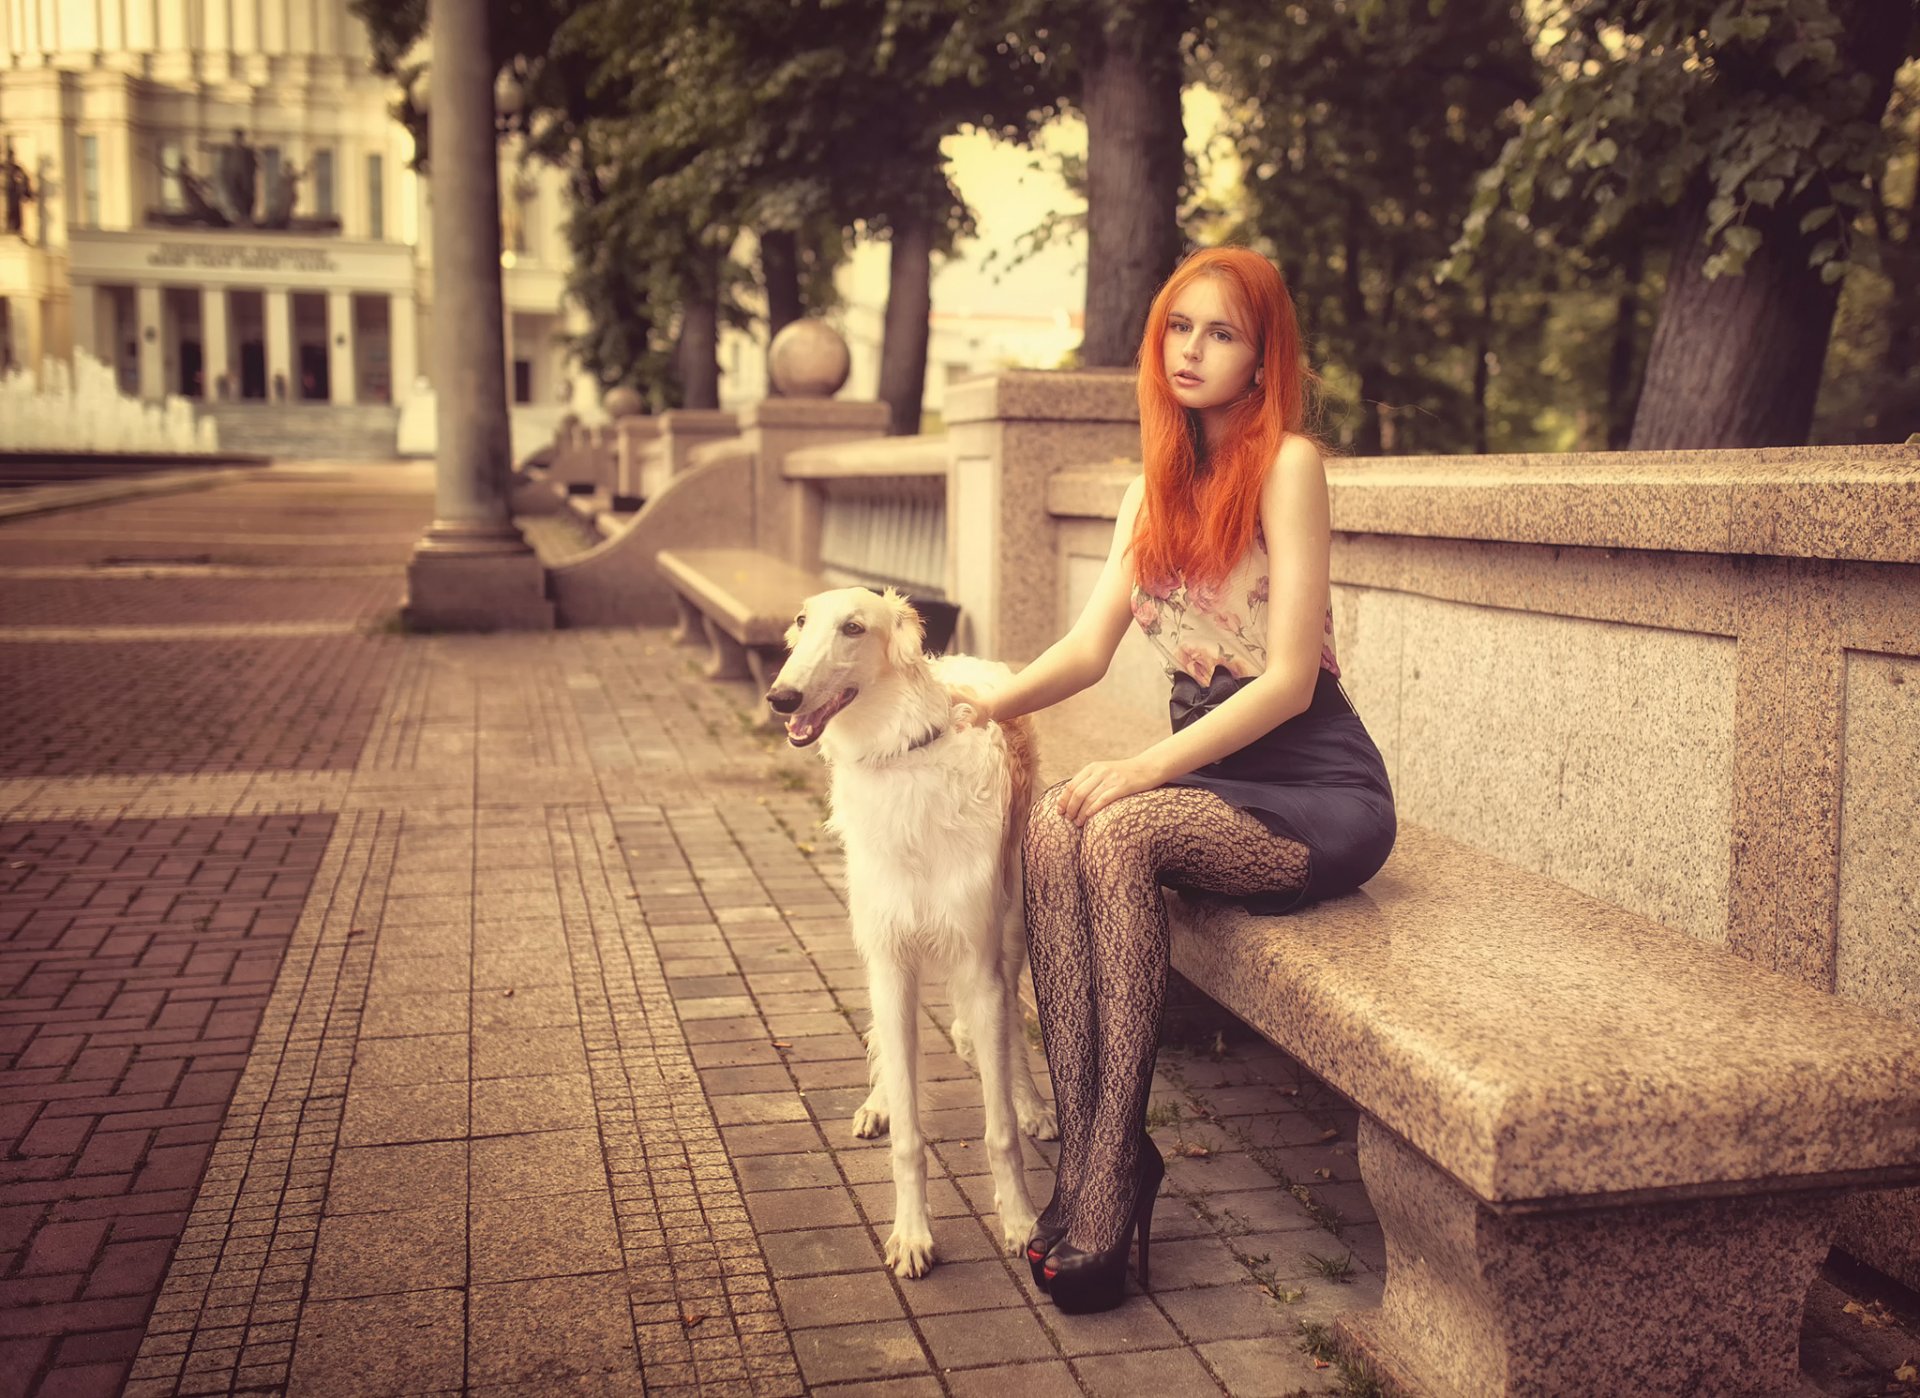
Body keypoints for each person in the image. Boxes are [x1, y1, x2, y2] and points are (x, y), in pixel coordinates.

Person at [956, 245, 1397, 1314]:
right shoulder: (1150, 491)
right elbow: (1082, 651)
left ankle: (1108, 1177)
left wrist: (1145, 765)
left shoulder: (1289, 464)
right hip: (1205, 783)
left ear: (1261, 358)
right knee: (1063, 821)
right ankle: (1101, 1160)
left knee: (1115, 826)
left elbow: (1292, 681)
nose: (1194, 350)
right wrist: (965, 708)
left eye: (1223, 333)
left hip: (1314, 787)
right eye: (1180, 328)